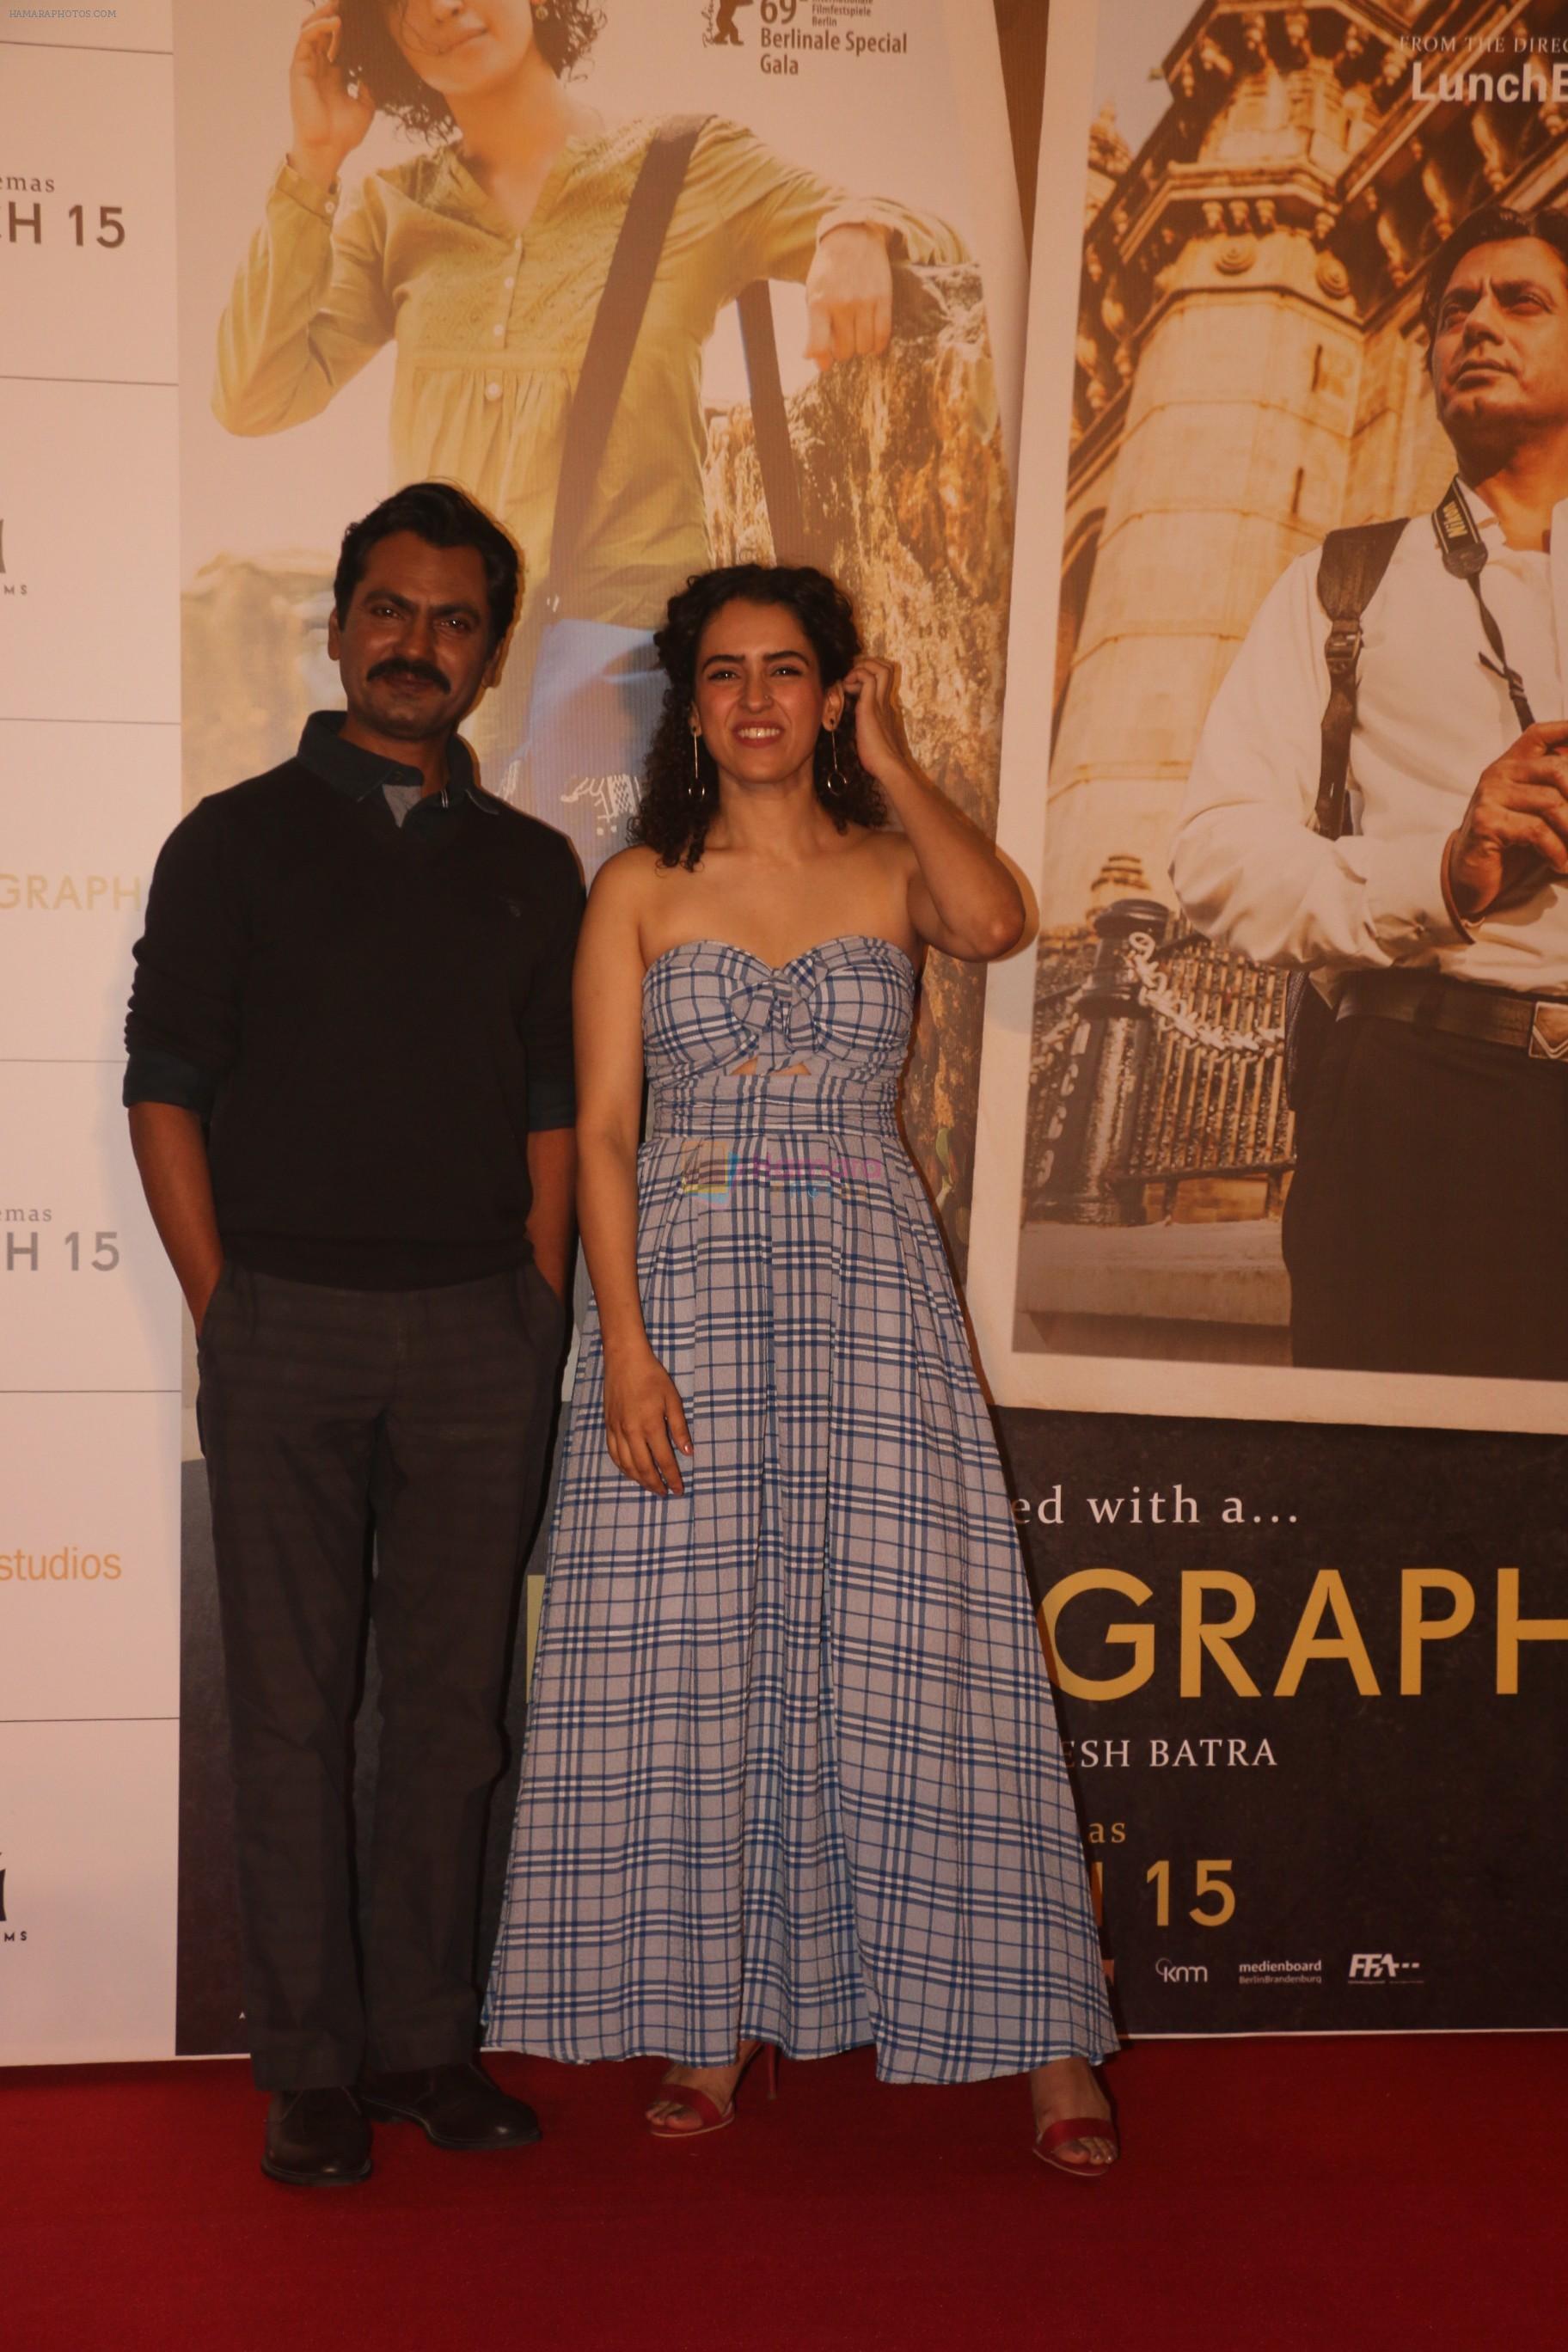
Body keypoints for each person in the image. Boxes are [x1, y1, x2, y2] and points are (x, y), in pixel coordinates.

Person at [485, 563, 1119, 2176]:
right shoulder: (635, 884)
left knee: (931, 1650)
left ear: (828, 689)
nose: (754, 698)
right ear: (687, 704)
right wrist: (618, 1348)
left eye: (787, 670)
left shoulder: (887, 863)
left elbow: (993, 923)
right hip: (686, 1289)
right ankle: (708, 2020)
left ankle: (1045, 2036)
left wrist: (890, 750)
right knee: (692, 1658)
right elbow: (609, 1131)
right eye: (722, 673)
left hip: (864, 1289)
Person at [124, 481, 582, 2188]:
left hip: (479, 1337)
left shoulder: (537, 870)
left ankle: (422, 2049)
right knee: (296, 1714)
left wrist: (535, 1311)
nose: (417, 644)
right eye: (388, 609)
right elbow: (163, 1084)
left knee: (453, 1717)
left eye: (454, 620)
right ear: (339, 627)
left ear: (486, 655)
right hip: (285, 1327)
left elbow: (551, 1111)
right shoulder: (231, 840)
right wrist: (227, 1304)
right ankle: (310, 2064)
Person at [216, 0, 967, 865]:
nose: (445, 7)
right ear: (379, 36)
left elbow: (933, 242)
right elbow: (254, 395)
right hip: (456, 681)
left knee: (613, 960)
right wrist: (313, 165)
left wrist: (853, 231)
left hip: (623, 674)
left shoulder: (685, 165)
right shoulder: (397, 210)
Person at [1172, 202, 1568, 1381]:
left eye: (1520, 302)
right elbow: (1216, 858)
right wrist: (1439, 873)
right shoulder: (1340, 583)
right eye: (1453, 310)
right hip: (1414, 1116)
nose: (1474, 327)